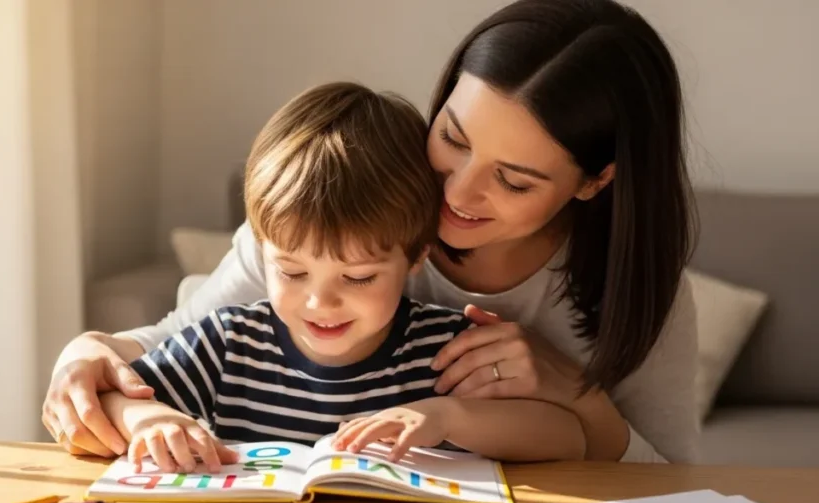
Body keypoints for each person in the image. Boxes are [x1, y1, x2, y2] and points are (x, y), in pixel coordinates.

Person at [43, 0, 699, 464]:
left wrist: (574, 394)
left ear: (594, 180)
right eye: (453, 137)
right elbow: (176, 343)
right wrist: (87, 352)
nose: (457, 191)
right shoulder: (340, 211)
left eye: (515, 180)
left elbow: (669, 481)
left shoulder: (633, 283)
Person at [99, 82, 586, 473]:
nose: (319, 303)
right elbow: (111, 397)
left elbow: (568, 437)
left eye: (357, 278)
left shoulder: (445, 349)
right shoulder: (226, 344)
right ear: (262, 250)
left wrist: (447, 416)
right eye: (291, 271)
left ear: (416, 257)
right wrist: (147, 418)